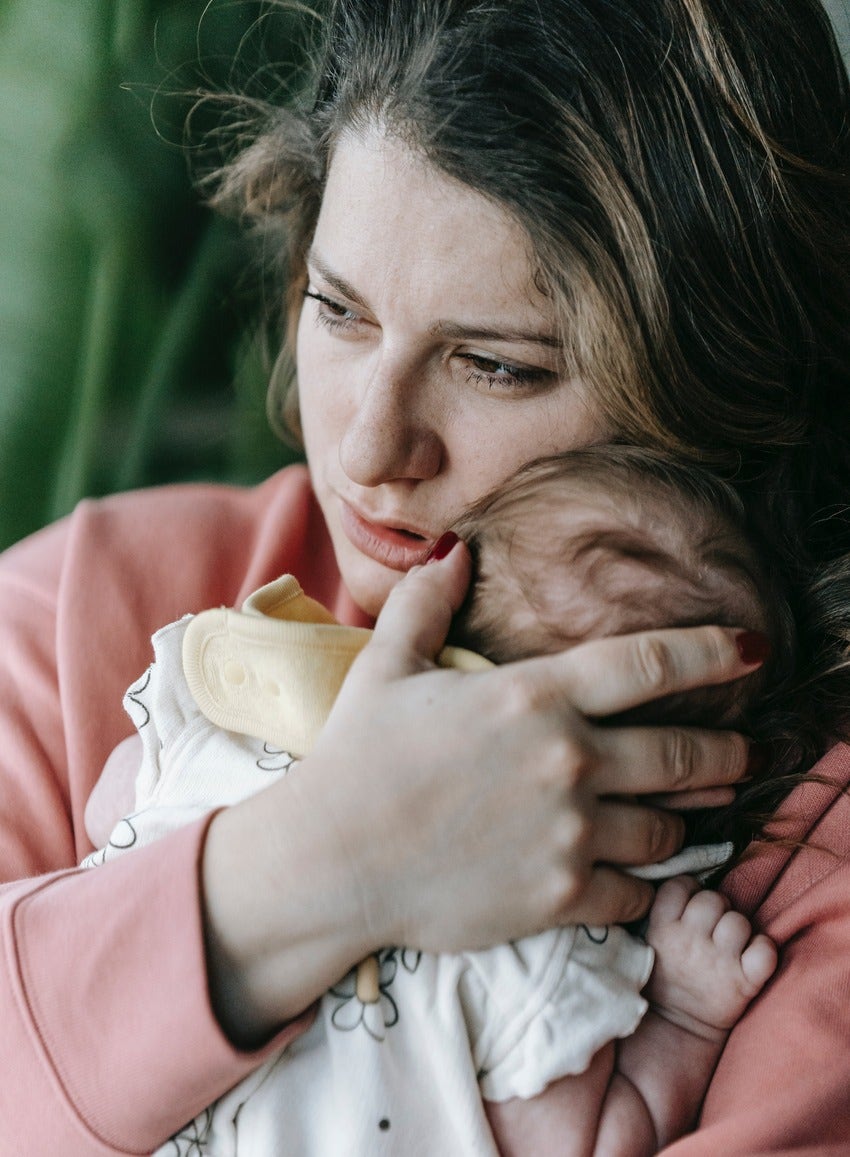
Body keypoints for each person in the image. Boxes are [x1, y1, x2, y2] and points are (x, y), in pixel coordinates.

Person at [0, 1, 848, 1152]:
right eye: (337, 310)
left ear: (715, 392)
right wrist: (319, 864)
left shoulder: (815, 858)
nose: (365, 450)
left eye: (496, 365)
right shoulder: (82, 614)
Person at [82, 446, 781, 1155]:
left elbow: (110, 808)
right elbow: (585, 1142)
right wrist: (686, 1018)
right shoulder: (551, 951)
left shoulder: (250, 732)